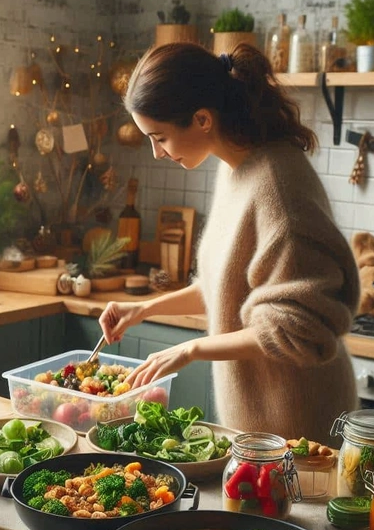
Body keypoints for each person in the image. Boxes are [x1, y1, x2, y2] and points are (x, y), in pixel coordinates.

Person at [101, 42, 360, 443]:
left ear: (202, 118)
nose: (157, 153)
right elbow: (230, 288)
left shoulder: (277, 186)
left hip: (301, 428)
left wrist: (191, 350)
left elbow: (302, 331)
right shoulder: (236, 169)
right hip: (258, 430)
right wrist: (144, 309)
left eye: (160, 137)